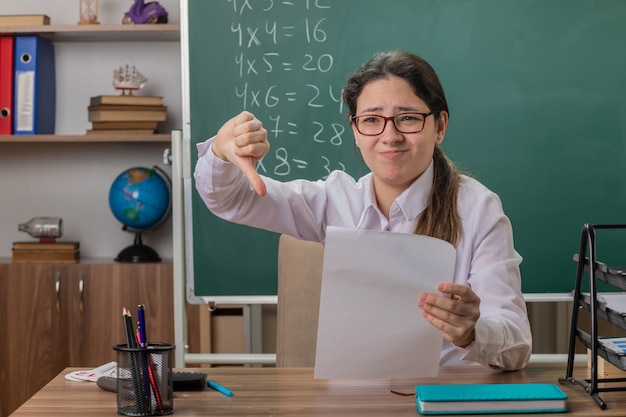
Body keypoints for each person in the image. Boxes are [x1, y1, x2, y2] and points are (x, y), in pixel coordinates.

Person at [194, 50, 532, 371]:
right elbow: (230, 200)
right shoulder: (334, 200)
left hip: (445, 395)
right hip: (354, 397)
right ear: (355, 130)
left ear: (439, 125)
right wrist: (223, 151)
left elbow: (516, 343)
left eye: (408, 118)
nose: (390, 136)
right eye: (372, 120)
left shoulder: (477, 208)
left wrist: (472, 333)